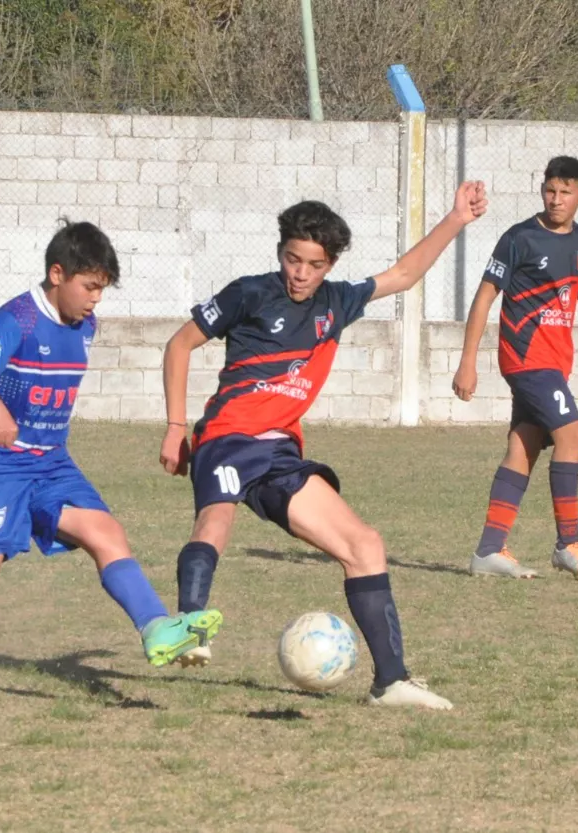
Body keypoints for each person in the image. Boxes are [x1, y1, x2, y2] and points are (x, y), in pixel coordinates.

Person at [0, 220, 223, 708]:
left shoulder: (85, 326)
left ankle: (157, 628)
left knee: (107, 533)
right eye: (90, 286)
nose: (96, 299)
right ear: (58, 274)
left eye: (102, 289)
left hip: (51, 464)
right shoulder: (18, 319)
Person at [159, 182, 488, 710]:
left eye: (313, 264)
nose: (300, 273)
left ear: (330, 264)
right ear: (281, 253)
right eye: (293, 259)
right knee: (214, 524)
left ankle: (391, 682)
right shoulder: (248, 293)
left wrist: (455, 219)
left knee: (365, 546)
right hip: (226, 439)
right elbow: (180, 344)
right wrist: (177, 427)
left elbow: (404, 275)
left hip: (281, 454)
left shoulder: (337, 302)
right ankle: (189, 626)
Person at [455, 156, 578, 580]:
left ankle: (489, 550)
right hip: (526, 359)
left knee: (523, 446)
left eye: (566, 192)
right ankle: (568, 544)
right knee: (573, 434)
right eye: (550, 190)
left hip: (555, 364)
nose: (556, 199)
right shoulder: (520, 238)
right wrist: (467, 360)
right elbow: (485, 296)